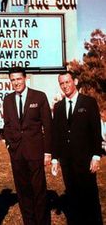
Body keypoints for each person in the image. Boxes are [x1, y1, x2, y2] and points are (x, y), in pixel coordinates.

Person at [52, 71, 102, 224]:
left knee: (90, 198)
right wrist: (55, 159)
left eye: (67, 82)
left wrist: (96, 156)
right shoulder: (58, 107)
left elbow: (95, 130)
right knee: (73, 199)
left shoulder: (88, 102)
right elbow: (57, 135)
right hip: (67, 162)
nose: (65, 86)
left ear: (75, 81)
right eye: (62, 83)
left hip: (86, 161)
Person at [3, 67, 52, 225]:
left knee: (39, 191)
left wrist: (48, 152)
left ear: (25, 78)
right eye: (13, 80)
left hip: (35, 152)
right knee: (23, 192)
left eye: (18, 79)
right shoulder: (8, 100)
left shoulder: (39, 96)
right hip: (17, 154)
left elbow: (48, 126)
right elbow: (7, 126)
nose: (16, 82)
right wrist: (10, 146)